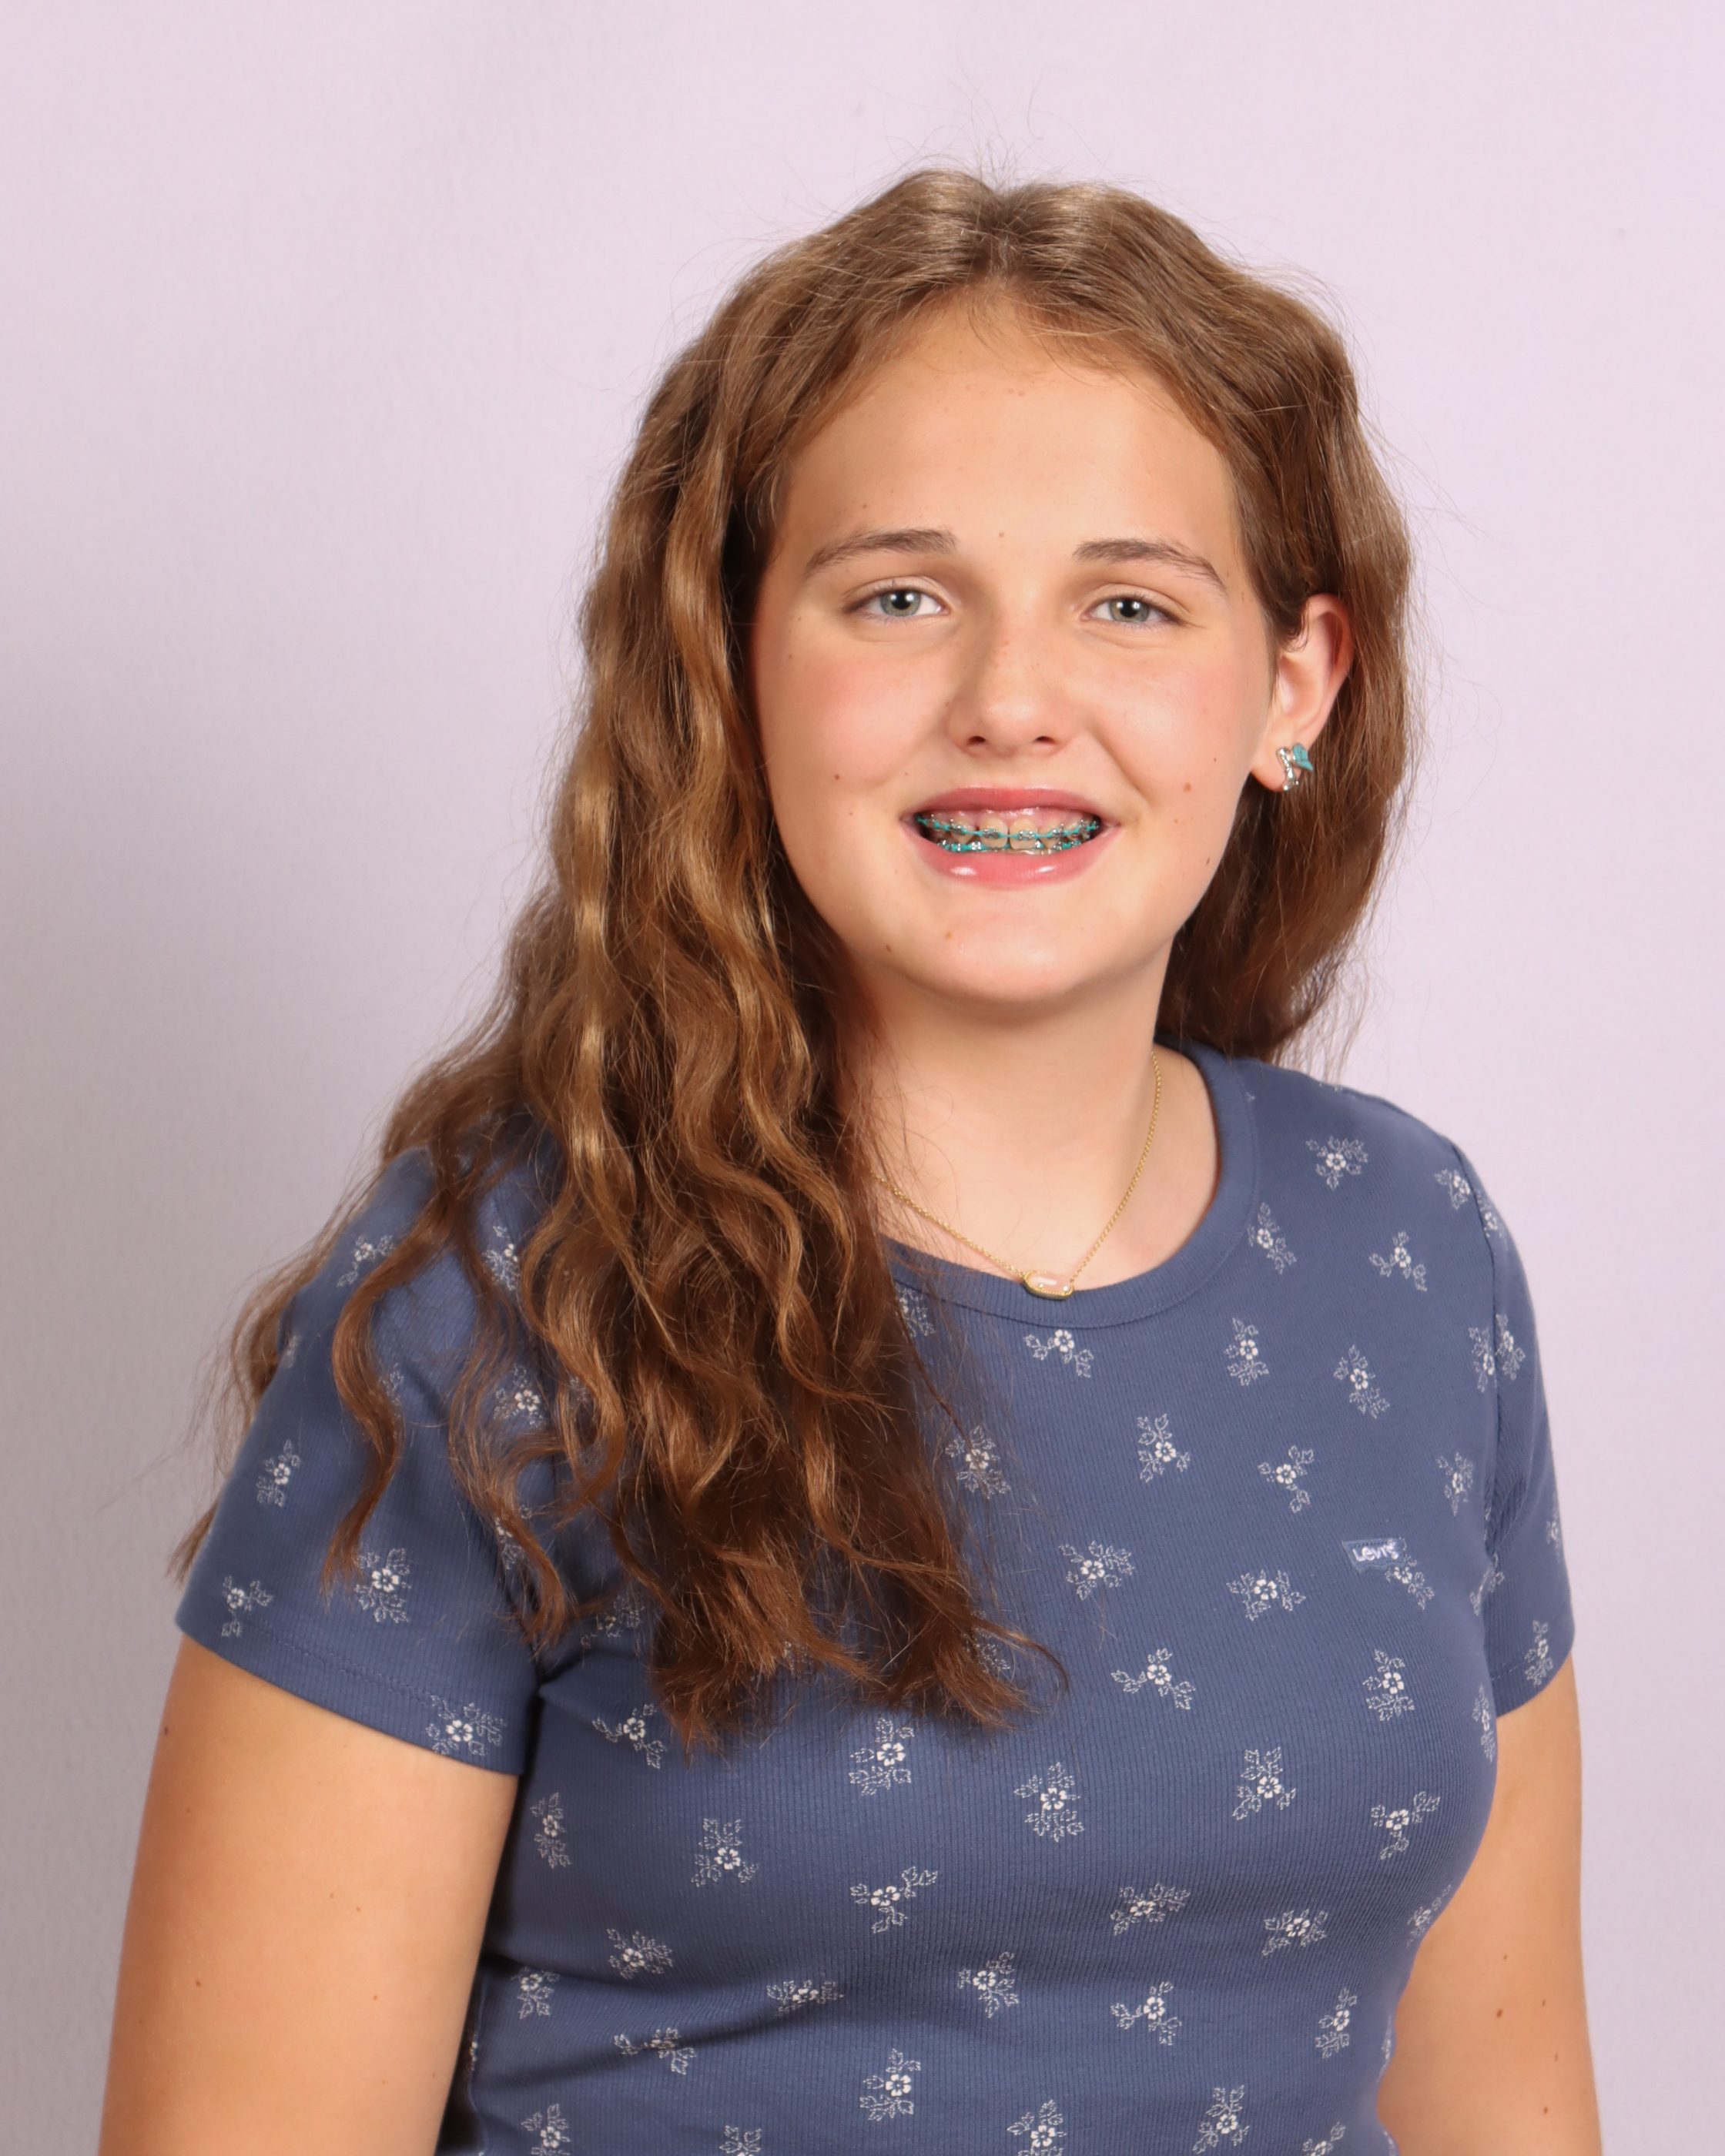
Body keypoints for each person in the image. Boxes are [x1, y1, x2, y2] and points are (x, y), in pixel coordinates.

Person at [99, 170, 1600, 2155]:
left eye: (1131, 604)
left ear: (1292, 688)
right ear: (729, 666)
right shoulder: (501, 1295)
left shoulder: (1415, 1249)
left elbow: (1511, 2101)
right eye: (899, 596)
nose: (1011, 703)